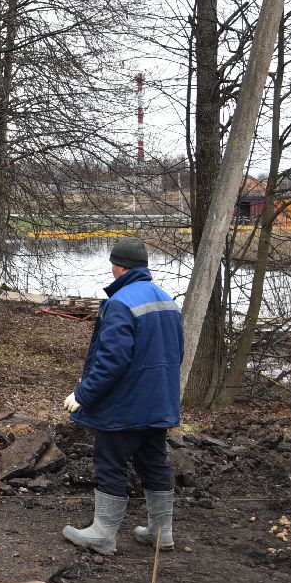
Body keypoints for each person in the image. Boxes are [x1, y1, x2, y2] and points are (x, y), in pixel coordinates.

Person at [61, 236, 183, 555]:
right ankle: (161, 531)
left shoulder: (121, 302)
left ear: (117, 266)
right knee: (153, 461)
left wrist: (83, 394)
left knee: (110, 461)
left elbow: (112, 360)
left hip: (126, 406)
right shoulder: (167, 300)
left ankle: (103, 533)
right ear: (143, 266)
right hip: (159, 403)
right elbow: (177, 352)